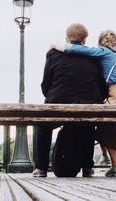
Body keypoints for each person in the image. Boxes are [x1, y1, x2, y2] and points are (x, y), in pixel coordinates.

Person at [54, 30, 116, 177]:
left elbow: (78, 49)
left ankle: (114, 165)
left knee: (104, 124)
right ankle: (105, 158)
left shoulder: (103, 52)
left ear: (100, 43)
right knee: (108, 123)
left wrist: (57, 46)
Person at [32, 23, 105, 178]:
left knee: (42, 125)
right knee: (88, 125)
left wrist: (52, 96)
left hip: (59, 103)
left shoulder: (53, 54)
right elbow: (101, 86)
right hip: (89, 105)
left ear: (66, 38)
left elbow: (46, 84)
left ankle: (41, 168)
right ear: (85, 40)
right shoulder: (94, 57)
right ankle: (87, 167)